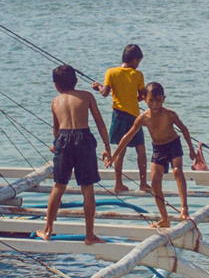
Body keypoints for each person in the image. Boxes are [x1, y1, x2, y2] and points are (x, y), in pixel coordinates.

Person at [36, 64, 111, 245]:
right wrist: (107, 146)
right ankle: (89, 235)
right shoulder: (87, 96)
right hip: (83, 138)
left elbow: (56, 128)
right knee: (87, 187)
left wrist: (57, 145)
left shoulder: (55, 102)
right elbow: (100, 123)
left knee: (59, 185)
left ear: (56, 85)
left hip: (63, 139)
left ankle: (47, 230)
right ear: (76, 81)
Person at [106, 82, 196, 227]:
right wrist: (114, 155)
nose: (155, 104)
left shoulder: (170, 115)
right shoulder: (143, 118)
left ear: (163, 99)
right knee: (154, 181)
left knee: (177, 171)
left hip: (173, 144)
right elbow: (127, 136)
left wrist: (191, 150)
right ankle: (164, 218)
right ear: (144, 99)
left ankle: (184, 208)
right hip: (158, 148)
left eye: (158, 100)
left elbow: (184, 130)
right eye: (151, 101)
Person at [91, 44, 149, 193]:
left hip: (118, 115)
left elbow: (104, 93)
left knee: (120, 149)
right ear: (135, 60)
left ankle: (118, 184)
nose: (138, 65)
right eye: (139, 62)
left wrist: (97, 86)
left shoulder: (111, 72)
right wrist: (134, 99)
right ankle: (143, 182)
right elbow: (143, 95)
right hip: (135, 117)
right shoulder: (138, 75)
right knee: (141, 149)